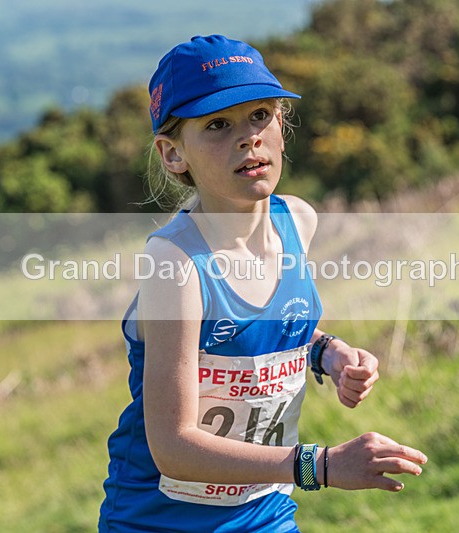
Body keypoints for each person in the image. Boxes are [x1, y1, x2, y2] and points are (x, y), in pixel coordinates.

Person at [98, 34, 427, 533]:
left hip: (264, 514)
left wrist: (326, 353)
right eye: (217, 124)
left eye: (260, 115)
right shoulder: (176, 264)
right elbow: (174, 446)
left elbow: (263, 329)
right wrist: (324, 466)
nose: (249, 137)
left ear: (281, 125)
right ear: (172, 154)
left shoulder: (298, 221)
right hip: (159, 522)